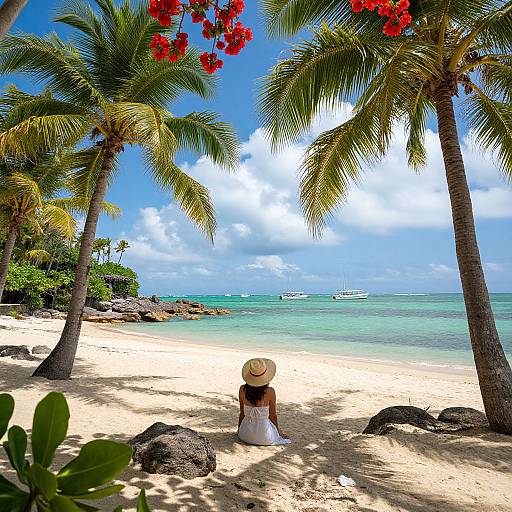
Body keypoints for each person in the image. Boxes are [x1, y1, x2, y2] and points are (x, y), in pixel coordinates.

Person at [238, 358, 291, 446]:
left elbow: (242, 413)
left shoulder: (242, 389)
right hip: (264, 437)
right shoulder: (270, 391)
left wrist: (239, 430)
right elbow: (273, 416)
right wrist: (278, 433)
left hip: (244, 435)